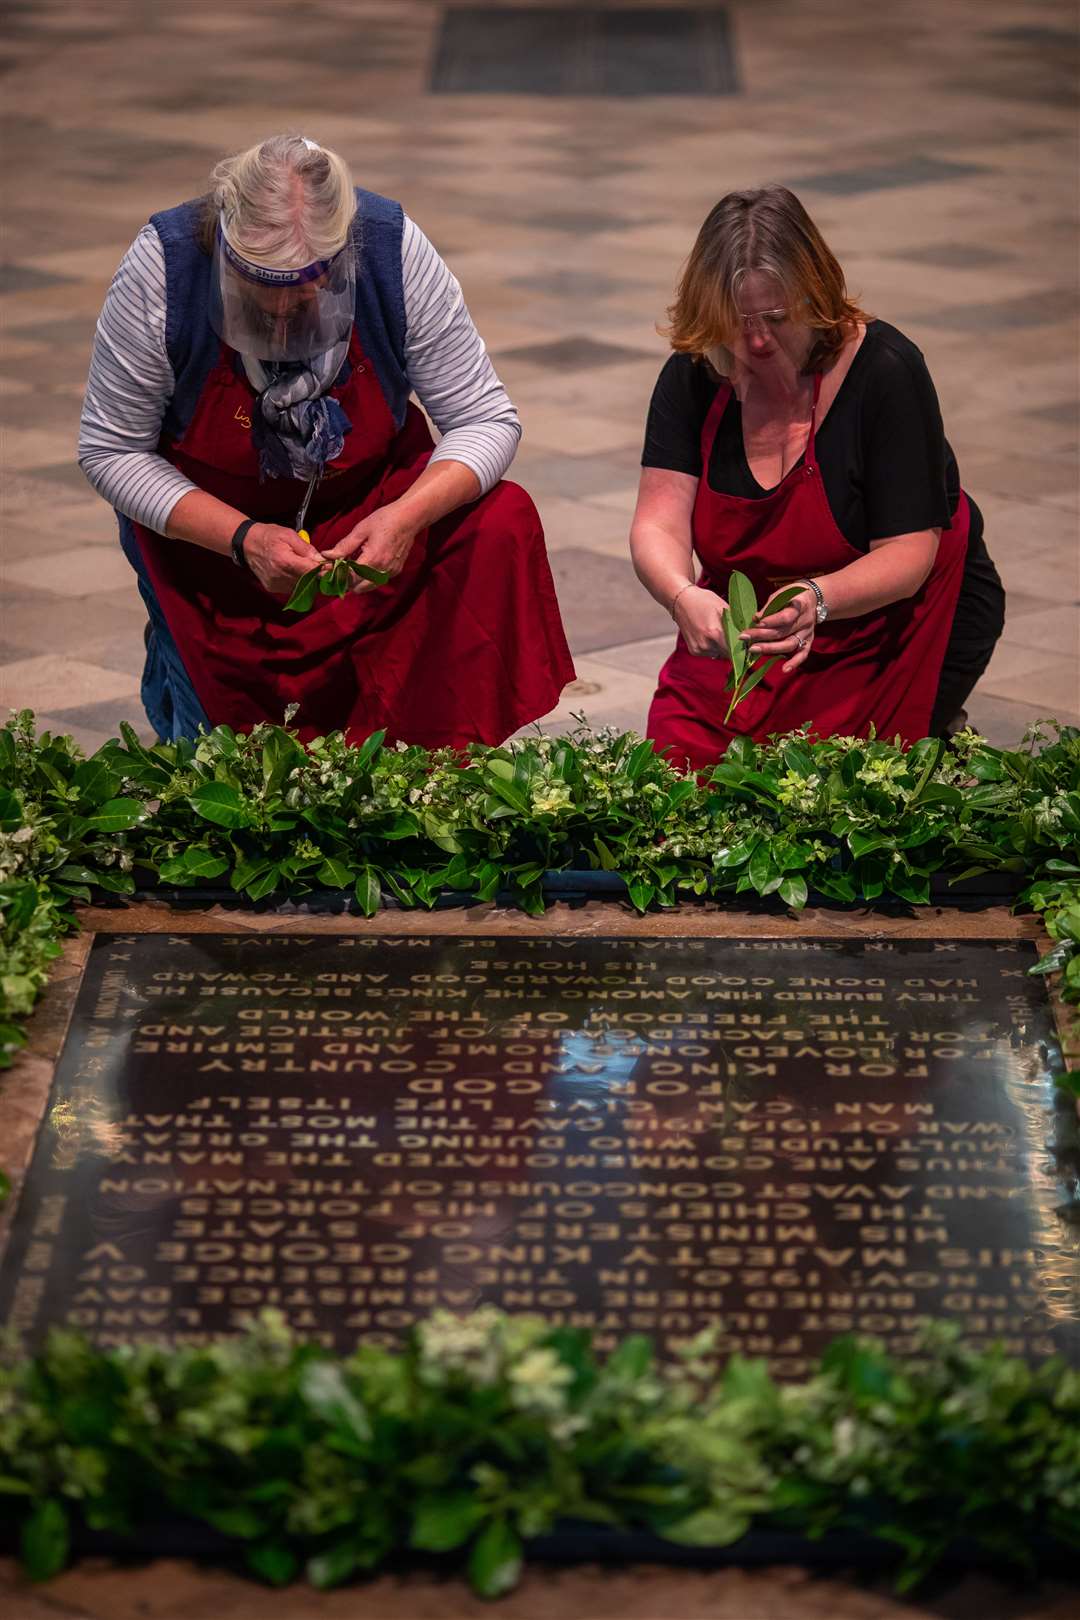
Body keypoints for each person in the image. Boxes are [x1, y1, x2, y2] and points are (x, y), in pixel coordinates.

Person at [79, 135, 574, 747]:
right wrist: (243, 539)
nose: (283, 316)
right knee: (224, 783)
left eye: (304, 293)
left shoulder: (391, 249)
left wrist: (405, 519)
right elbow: (111, 450)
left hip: (367, 533)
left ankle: (428, 769)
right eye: (262, 294)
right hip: (214, 553)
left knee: (499, 519)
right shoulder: (165, 266)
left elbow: (485, 419)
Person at [630, 186, 1004, 772]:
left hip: (887, 620)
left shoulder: (886, 370)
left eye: (777, 318)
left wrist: (820, 599)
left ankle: (941, 739)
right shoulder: (695, 373)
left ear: (815, 295)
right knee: (673, 789)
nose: (755, 341)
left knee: (824, 810)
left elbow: (909, 553)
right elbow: (657, 521)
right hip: (755, 635)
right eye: (736, 322)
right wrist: (682, 597)